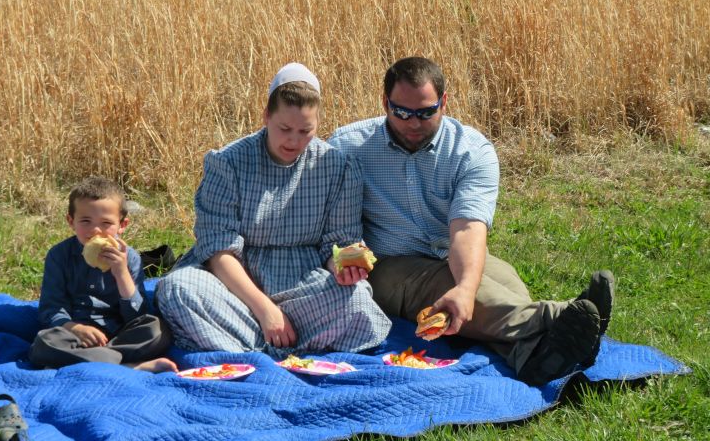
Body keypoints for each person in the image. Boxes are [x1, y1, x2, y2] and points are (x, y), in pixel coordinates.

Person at [328, 56, 614, 385]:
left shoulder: (471, 150)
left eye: (425, 112)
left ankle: (535, 356)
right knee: (457, 289)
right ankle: (560, 315)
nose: (413, 123)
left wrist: (466, 288)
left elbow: (467, 229)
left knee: (501, 282)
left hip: (451, 247)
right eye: (401, 112)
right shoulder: (348, 147)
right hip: (389, 265)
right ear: (385, 103)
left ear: (444, 102)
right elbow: (337, 225)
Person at [156, 63, 391, 356]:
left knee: (357, 304)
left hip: (301, 281)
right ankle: (279, 346)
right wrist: (265, 310)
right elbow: (219, 252)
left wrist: (344, 265)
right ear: (266, 116)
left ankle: (242, 346)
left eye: (306, 131)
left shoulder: (338, 167)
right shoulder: (228, 163)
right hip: (235, 283)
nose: (294, 141)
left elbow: (338, 242)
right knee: (179, 288)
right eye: (284, 129)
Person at [30, 176, 177, 372]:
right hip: (74, 334)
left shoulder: (129, 257)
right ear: (71, 221)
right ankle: (128, 366)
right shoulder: (59, 256)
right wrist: (74, 328)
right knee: (44, 343)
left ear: (122, 225)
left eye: (106, 223)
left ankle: (89, 361)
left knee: (157, 330)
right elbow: (51, 308)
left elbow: (137, 315)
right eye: (86, 221)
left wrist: (121, 272)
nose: (96, 230)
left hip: (117, 333)